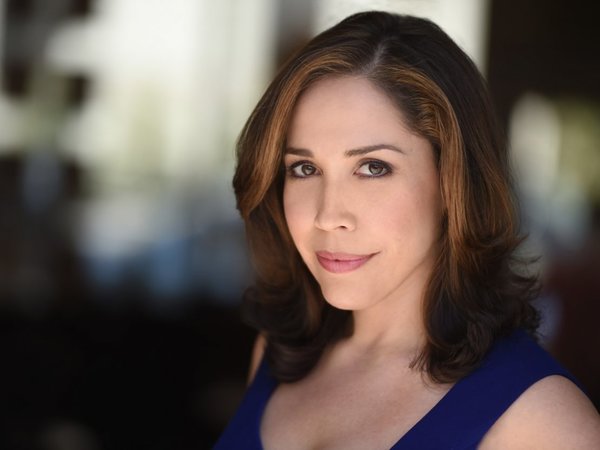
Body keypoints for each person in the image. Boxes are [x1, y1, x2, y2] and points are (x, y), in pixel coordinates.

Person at [214, 11, 600, 449]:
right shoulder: (275, 354)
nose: (328, 215)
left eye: (373, 167)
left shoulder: (543, 423)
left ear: (452, 180)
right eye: (304, 168)